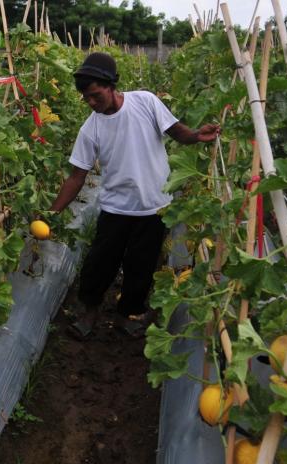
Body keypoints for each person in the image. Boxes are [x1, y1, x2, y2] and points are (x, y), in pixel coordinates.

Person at [48, 52, 220, 337]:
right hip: (115, 209)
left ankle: (126, 314)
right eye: (86, 98)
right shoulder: (90, 128)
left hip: (155, 208)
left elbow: (176, 131)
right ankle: (89, 313)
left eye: (95, 95)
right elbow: (77, 176)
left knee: (141, 268)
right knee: (98, 265)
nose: (91, 102)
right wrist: (53, 212)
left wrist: (195, 136)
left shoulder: (145, 101)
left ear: (111, 85)